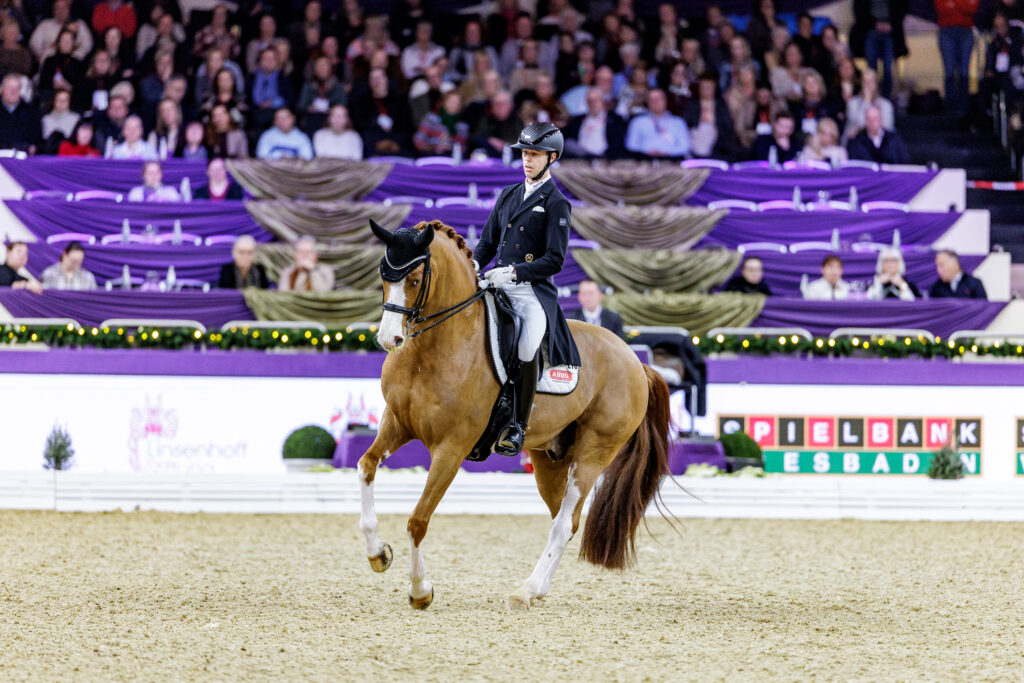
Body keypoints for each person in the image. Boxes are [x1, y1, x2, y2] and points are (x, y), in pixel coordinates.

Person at [472, 121, 580, 456]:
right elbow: (487, 243)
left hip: (531, 292)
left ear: (552, 158)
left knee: (526, 346)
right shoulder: (508, 194)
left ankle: (517, 425)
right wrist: (474, 265)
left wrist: (515, 272)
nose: (527, 160)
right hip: (497, 285)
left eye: (534, 154)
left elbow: (555, 260)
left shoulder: (556, 203)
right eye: (524, 154)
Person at [936, 0, 978, 122]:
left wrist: (954, 3)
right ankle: (950, 109)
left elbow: (973, 8)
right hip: (946, 31)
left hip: (966, 32)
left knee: (964, 72)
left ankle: (963, 109)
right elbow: (941, 8)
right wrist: (963, 4)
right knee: (949, 71)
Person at [624, 88, 691, 158]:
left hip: (671, 161)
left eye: (658, 99)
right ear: (647, 102)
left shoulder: (678, 122)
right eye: (651, 100)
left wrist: (666, 152)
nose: (655, 102)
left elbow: (685, 147)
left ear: (665, 100)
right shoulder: (637, 122)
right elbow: (630, 145)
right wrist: (648, 152)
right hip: (644, 160)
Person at [563, 86, 627, 158]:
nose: (593, 104)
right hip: (581, 158)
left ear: (603, 101)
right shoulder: (577, 120)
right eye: (590, 101)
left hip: (604, 158)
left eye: (596, 100)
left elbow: (617, 143)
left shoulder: (615, 120)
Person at [471, 90, 523, 157]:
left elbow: (521, 143)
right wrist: (489, 140)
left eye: (503, 103)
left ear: (511, 105)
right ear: (492, 107)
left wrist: (504, 145)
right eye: (496, 103)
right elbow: (475, 137)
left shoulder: (518, 121)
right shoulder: (486, 119)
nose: (500, 107)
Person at [0, 74, 41, 153]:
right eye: (10, 88)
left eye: (16, 88)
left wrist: (32, 147)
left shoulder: (32, 113)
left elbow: (36, 140)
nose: (13, 91)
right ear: (2, 89)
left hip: (23, 159)